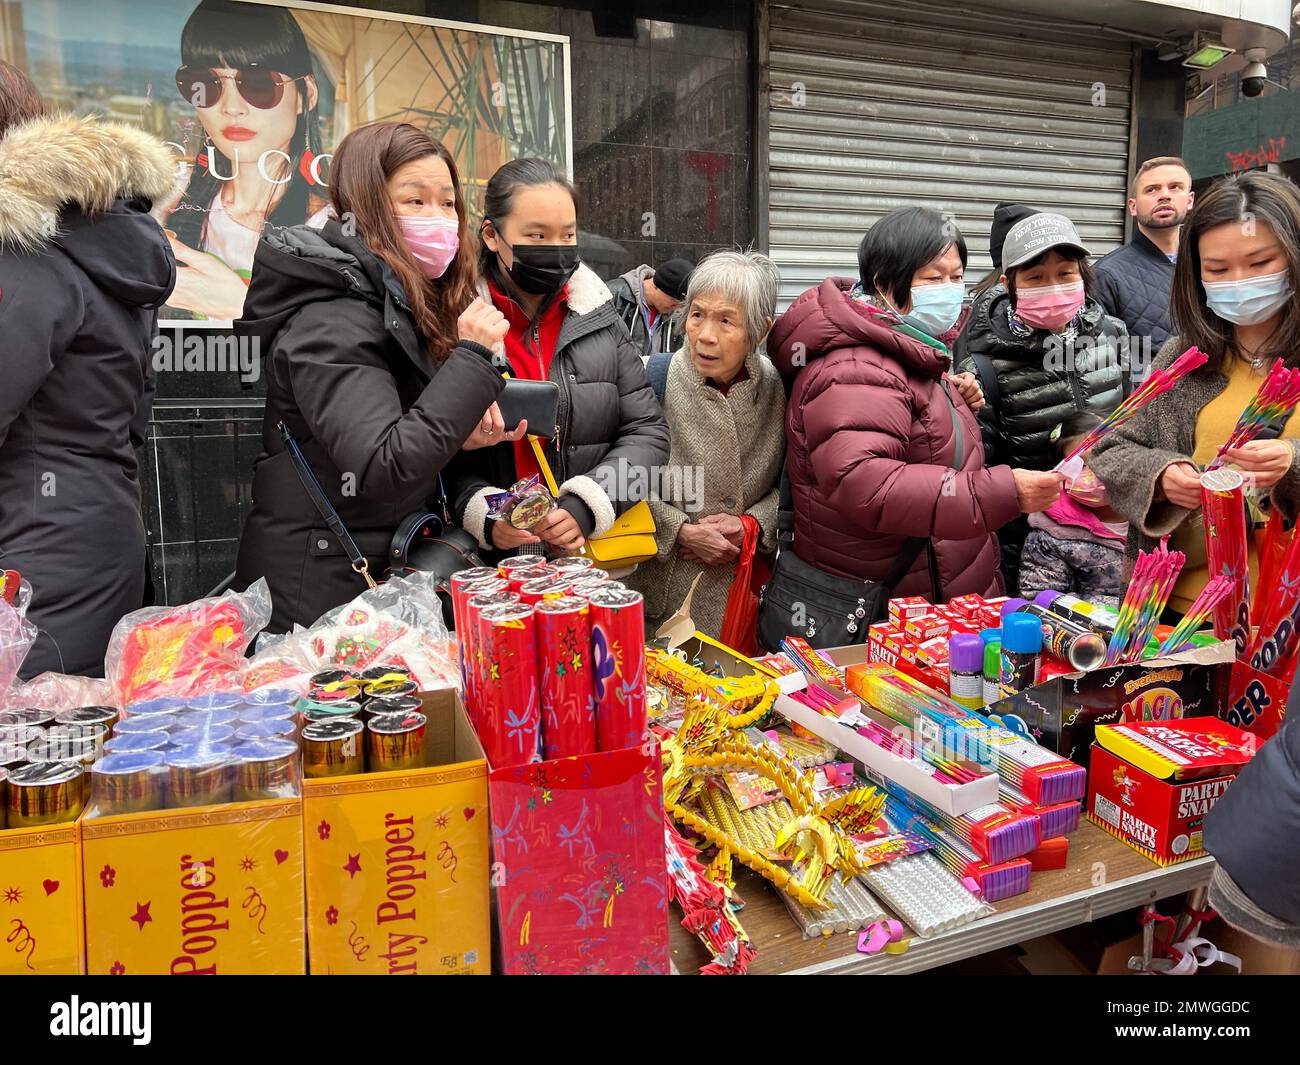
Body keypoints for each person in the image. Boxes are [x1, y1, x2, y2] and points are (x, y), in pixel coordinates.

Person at [234, 122, 513, 632]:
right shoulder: (332, 317)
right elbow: (384, 466)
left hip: (378, 576)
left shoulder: (395, 302)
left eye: (448, 204)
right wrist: (471, 357)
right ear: (366, 204)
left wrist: (461, 433)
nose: (439, 219)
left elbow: (399, 430)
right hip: (322, 596)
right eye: (415, 201)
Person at [767, 207, 1062, 625]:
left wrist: (950, 404)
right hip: (889, 607)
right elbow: (864, 480)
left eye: (957, 277)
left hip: (938, 589)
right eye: (933, 277)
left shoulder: (909, 346)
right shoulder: (853, 365)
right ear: (886, 284)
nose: (950, 290)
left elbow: (911, 434)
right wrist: (1002, 492)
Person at [0, 62, 177, 677]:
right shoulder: (87, 246)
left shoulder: (23, 251)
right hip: (87, 527)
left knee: (36, 751)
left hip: (35, 545)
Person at [1091, 170, 1300, 617]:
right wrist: (1162, 476)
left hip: (1284, 624)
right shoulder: (1186, 355)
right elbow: (1111, 449)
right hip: (1184, 612)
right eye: (1218, 269)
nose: (1240, 281)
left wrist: (1292, 464)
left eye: (1261, 263)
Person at [452, 158, 670, 556]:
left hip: (585, 560)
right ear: (491, 235)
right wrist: (484, 516)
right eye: (536, 236)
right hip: (487, 568)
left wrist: (587, 504)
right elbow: (432, 449)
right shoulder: (458, 325)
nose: (555, 249)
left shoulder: (600, 318)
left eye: (567, 235)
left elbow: (648, 433)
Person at [954, 211, 1129, 593]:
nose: (1053, 287)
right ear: (1008, 284)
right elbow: (978, 477)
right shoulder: (982, 369)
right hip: (1035, 559)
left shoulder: (1113, 336)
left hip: (1118, 546)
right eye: (1035, 277)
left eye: (1065, 273)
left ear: (1083, 274)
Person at [627, 251, 785, 640]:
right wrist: (679, 530)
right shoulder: (652, 376)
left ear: (760, 331)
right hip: (663, 594)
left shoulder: (779, 389)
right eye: (697, 315)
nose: (706, 335)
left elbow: (798, 487)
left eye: (726, 320)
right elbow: (616, 481)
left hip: (742, 596)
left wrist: (752, 525)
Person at [164, 0, 326, 320]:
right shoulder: (169, 200)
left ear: (305, 95)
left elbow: (340, 355)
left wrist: (243, 309)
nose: (231, 107)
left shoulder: (328, 229)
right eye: (207, 84)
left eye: (258, 83)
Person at [1018, 414, 1127, 608]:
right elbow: (1041, 603)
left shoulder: (1156, 514)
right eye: (1080, 466)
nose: (1096, 471)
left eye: (1103, 457)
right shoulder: (1050, 536)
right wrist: (1122, 609)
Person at [1094, 156, 1194, 354]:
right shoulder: (1106, 275)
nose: (1164, 195)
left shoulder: (1210, 263)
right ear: (1133, 206)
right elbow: (1099, 361)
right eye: (1152, 189)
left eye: (1175, 187)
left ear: (1190, 200)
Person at [607, 256, 693, 356]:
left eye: (681, 305)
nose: (676, 308)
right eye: (674, 301)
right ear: (658, 286)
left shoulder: (674, 315)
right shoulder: (613, 295)